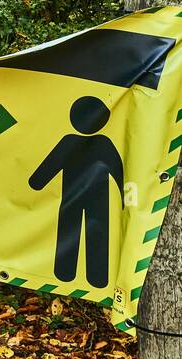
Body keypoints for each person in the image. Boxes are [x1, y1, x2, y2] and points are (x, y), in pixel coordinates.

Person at [28, 96, 124, 288]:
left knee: (69, 231)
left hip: (72, 197)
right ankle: (97, 278)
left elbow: (45, 171)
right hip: (97, 199)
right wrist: (124, 198)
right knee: (97, 234)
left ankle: (64, 273)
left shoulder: (69, 142)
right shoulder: (104, 143)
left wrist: (37, 183)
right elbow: (119, 172)